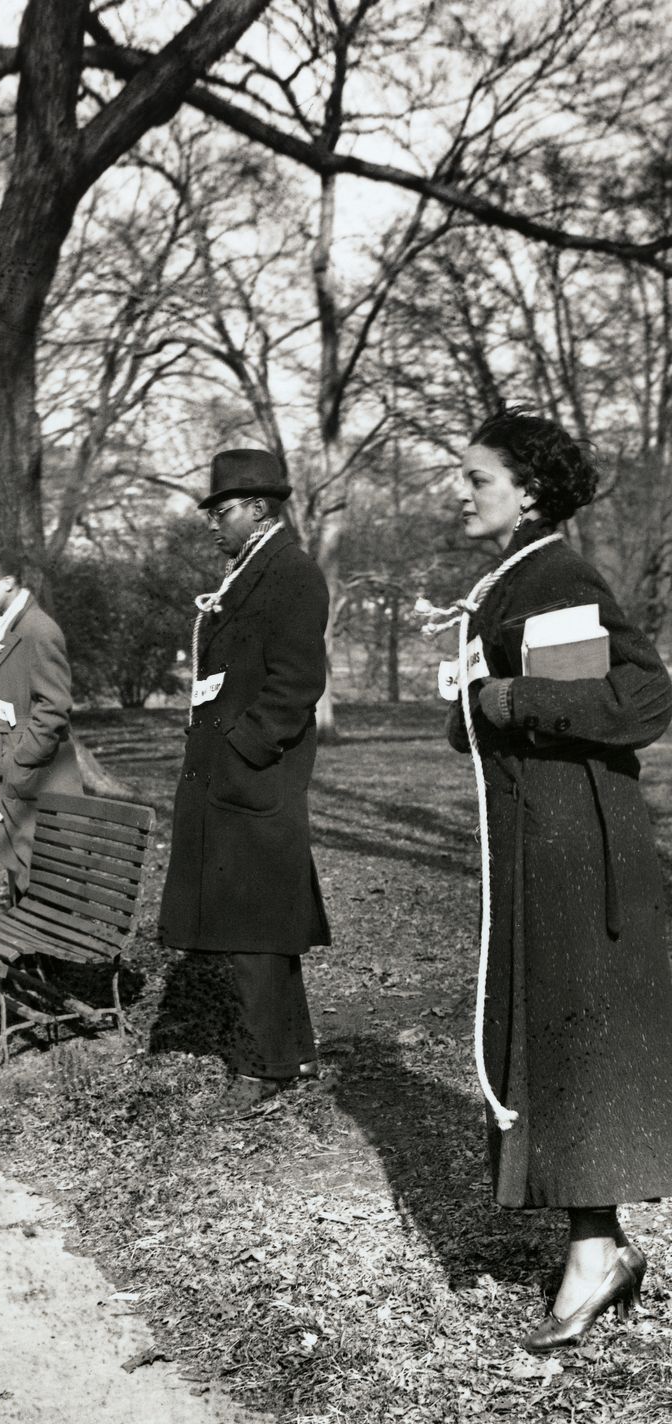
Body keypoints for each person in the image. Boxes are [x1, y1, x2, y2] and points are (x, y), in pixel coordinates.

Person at [439, 405, 672, 1353]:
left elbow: (643, 695)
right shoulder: (507, 583)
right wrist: (470, 700)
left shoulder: (561, 574)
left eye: (476, 478)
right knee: (550, 1040)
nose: (459, 493)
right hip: (537, 845)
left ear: (527, 491)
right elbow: (487, 713)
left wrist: (508, 696)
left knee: (578, 1047)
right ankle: (595, 1242)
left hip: (580, 852)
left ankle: (597, 1253)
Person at [159, 449, 331, 1121]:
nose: (213, 523)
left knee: (255, 927)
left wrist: (243, 750)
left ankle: (263, 1065)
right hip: (230, 776)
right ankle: (294, 1051)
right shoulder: (247, 573)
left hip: (257, 778)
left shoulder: (290, 573)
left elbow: (297, 684)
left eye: (222, 510)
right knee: (259, 925)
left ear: (260, 508)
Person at [0, 551, 82, 902]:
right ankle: (31, 947)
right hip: (15, 762)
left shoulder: (37, 630)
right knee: (20, 859)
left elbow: (54, 706)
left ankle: (48, 949)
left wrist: (21, 761)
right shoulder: (8, 625)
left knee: (43, 862)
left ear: (9, 583)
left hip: (37, 768)